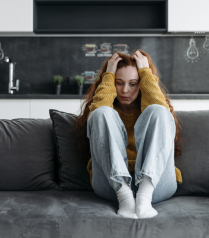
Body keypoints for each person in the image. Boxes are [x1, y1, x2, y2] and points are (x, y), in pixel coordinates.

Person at [73, 50, 183, 219]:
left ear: (142, 83)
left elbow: (163, 114)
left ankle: (144, 196)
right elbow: (97, 113)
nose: (125, 90)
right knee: (101, 113)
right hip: (112, 185)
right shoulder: (107, 111)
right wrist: (108, 74)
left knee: (158, 110)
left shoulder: (149, 108)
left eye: (133, 84)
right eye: (118, 82)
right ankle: (125, 195)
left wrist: (146, 73)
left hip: (156, 185)